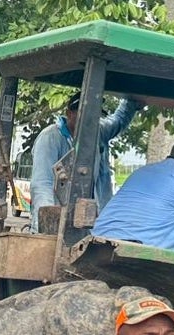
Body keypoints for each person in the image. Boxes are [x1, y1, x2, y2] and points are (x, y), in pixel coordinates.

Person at [30, 94, 140, 232]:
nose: (90, 120)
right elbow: (42, 184)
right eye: (84, 115)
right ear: (69, 113)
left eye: (94, 116)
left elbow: (118, 121)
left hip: (88, 224)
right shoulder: (51, 137)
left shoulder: (97, 132)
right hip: (57, 224)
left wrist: (133, 102)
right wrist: (47, 225)